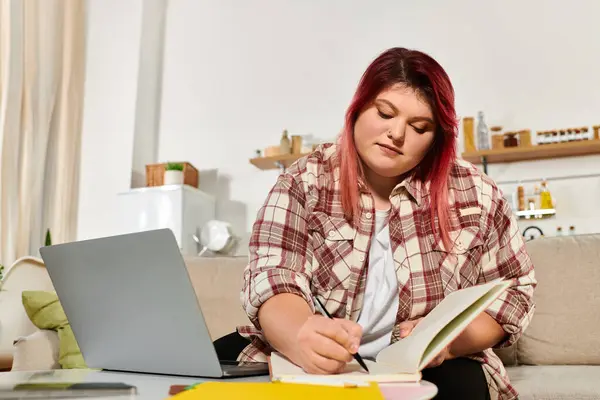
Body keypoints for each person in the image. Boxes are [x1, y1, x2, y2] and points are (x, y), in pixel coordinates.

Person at [229, 47, 536, 400]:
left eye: (419, 127)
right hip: (321, 366)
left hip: (433, 367)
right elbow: (273, 274)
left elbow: (517, 289)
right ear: (358, 107)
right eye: (385, 113)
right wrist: (302, 335)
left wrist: (448, 341)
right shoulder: (303, 180)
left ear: (436, 139)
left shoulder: (476, 191)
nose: (396, 134)